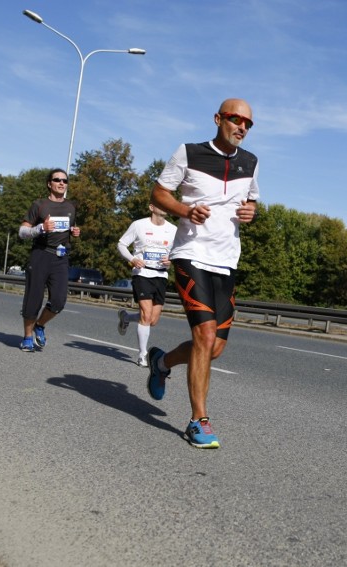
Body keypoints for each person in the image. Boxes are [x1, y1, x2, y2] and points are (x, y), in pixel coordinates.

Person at [147, 98, 259, 449]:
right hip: (191, 253)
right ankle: (199, 420)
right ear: (218, 119)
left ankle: (162, 362)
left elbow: (252, 200)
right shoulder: (189, 152)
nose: (241, 126)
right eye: (235, 119)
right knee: (205, 335)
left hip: (226, 260)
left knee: (214, 348)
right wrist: (184, 209)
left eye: (248, 123)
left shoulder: (250, 163)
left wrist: (250, 212)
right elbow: (158, 192)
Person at [17, 168, 81, 352]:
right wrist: (40, 228)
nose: (62, 183)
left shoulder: (71, 206)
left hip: (61, 257)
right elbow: (22, 232)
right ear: (49, 183)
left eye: (65, 181)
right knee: (33, 300)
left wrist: (74, 232)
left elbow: (70, 228)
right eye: (57, 180)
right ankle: (27, 337)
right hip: (41, 254)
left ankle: (40, 325)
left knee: (59, 301)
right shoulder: (39, 205)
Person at [116, 204, 178, 367]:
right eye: (160, 203)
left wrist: (171, 260)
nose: (165, 206)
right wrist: (132, 259)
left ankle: (126, 317)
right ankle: (143, 355)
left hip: (161, 275)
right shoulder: (139, 225)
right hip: (142, 274)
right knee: (146, 314)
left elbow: (179, 251)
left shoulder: (173, 229)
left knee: (153, 320)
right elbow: (121, 244)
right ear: (151, 207)